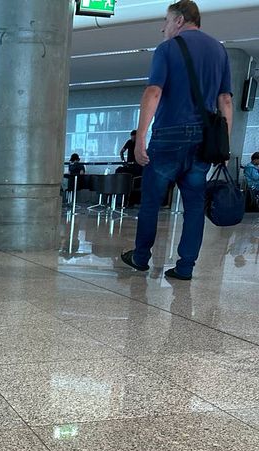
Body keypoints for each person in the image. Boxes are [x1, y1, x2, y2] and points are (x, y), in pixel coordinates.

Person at [121, 1, 232, 281]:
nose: (163, 27)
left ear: (180, 20)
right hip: (202, 141)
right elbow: (226, 100)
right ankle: (185, 267)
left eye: (167, 20)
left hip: (169, 136)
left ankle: (141, 257)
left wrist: (140, 137)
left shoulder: (168, 49)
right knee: (194, 205)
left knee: (151, 201)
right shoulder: (220, 51)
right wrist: (224, 143)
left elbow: (154, 92)